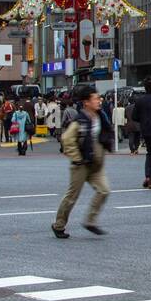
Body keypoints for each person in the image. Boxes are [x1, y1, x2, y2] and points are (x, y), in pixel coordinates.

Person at [52, 85, 112, 238]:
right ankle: (59, 225)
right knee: (72, 196)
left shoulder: (100, 116)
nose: (99, 101)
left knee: (104, 190)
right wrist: (77, 158)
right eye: (96, 98)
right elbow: (66, 139)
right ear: (86, 102)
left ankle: (90, 221)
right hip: (81, 165)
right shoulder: (80, 120)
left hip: (96, 164)